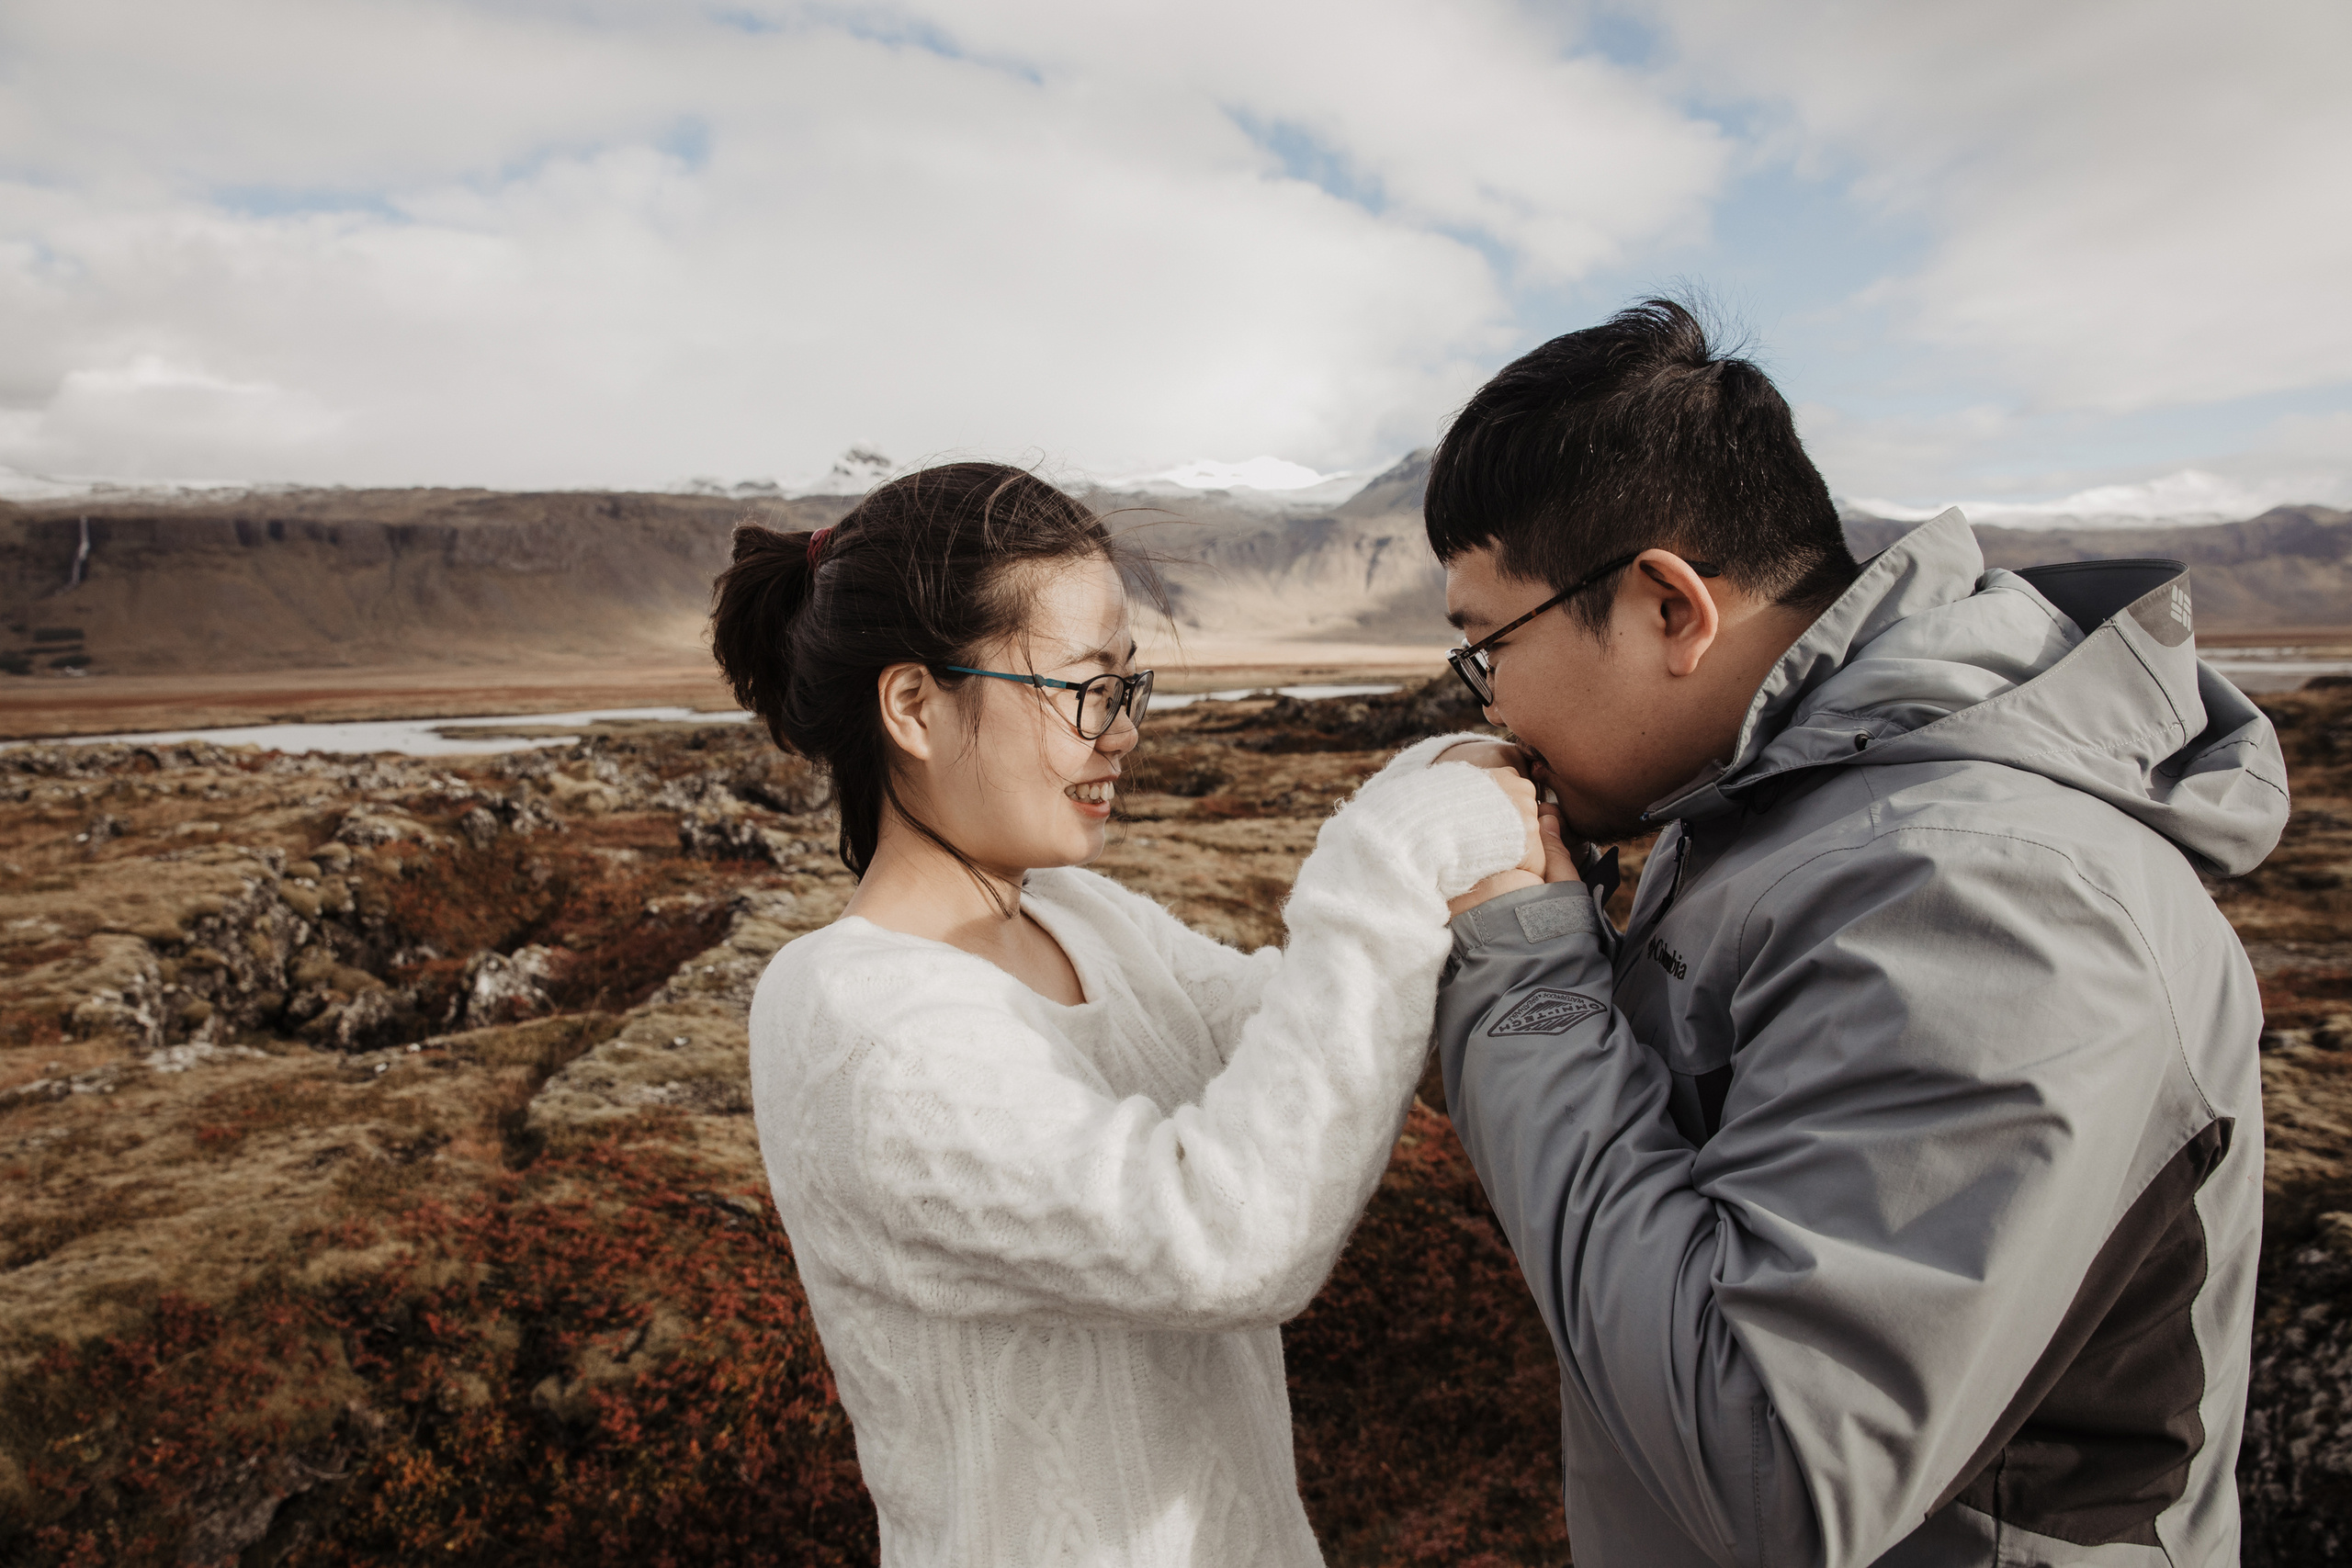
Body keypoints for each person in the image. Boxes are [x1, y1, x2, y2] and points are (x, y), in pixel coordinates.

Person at [1426, 300, 2288, 1567]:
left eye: (1486, 648)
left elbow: (1778, 1470)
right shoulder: (1771, 814)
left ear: (1670, 607)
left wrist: (1526, 968)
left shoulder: (1983, 893)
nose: (1488, 703)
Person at [710, 461, 1539, 1567]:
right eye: (1083, 689)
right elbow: (1226, 1237)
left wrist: (1448, 777)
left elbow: (1301, 1030)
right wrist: (1392, 853)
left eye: (1127, 687)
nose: (1122, 734)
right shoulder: (852, 1020)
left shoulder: (1080, 914)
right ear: (912, 706)